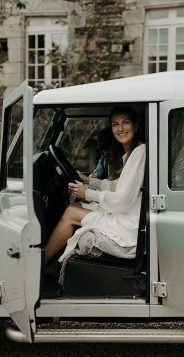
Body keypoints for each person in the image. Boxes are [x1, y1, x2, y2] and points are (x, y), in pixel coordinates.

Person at [44, 106, 146, 265]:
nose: (120, 129)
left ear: (136, 125)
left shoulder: (140, 152)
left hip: (128, 224)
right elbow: (116, 187)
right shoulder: (132, 153)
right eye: (115, 124)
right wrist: (89, 181)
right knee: (76, 204)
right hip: (126, 214)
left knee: (71, 211)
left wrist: (88, 194)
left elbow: (122, 199)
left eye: (125, 123)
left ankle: (41, 265)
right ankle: (51, 264)